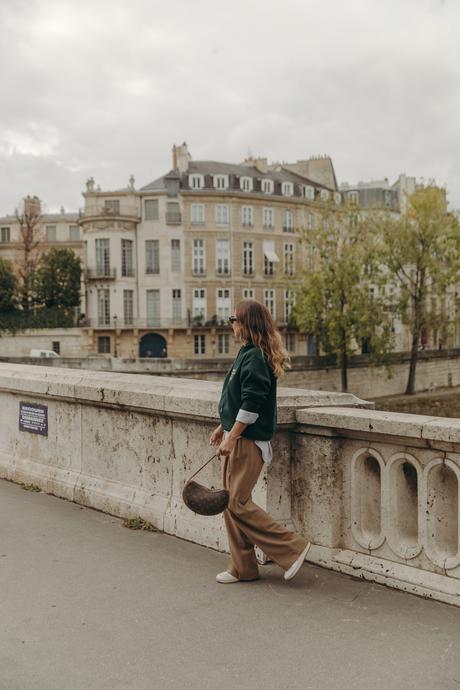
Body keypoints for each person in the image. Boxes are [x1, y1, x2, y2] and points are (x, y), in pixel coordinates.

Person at [209, 299, 310, 583]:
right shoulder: (247, 353)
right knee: (231, 502)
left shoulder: (254, 357)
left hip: (247, 441)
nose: (231, 323)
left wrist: (233, 436)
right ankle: (243, 567)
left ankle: (292, 548)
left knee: (238, 502)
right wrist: (223, 428)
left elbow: (253, 404)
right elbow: (238, 400)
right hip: (238, 436)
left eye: (234, 319)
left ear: (246, 323)